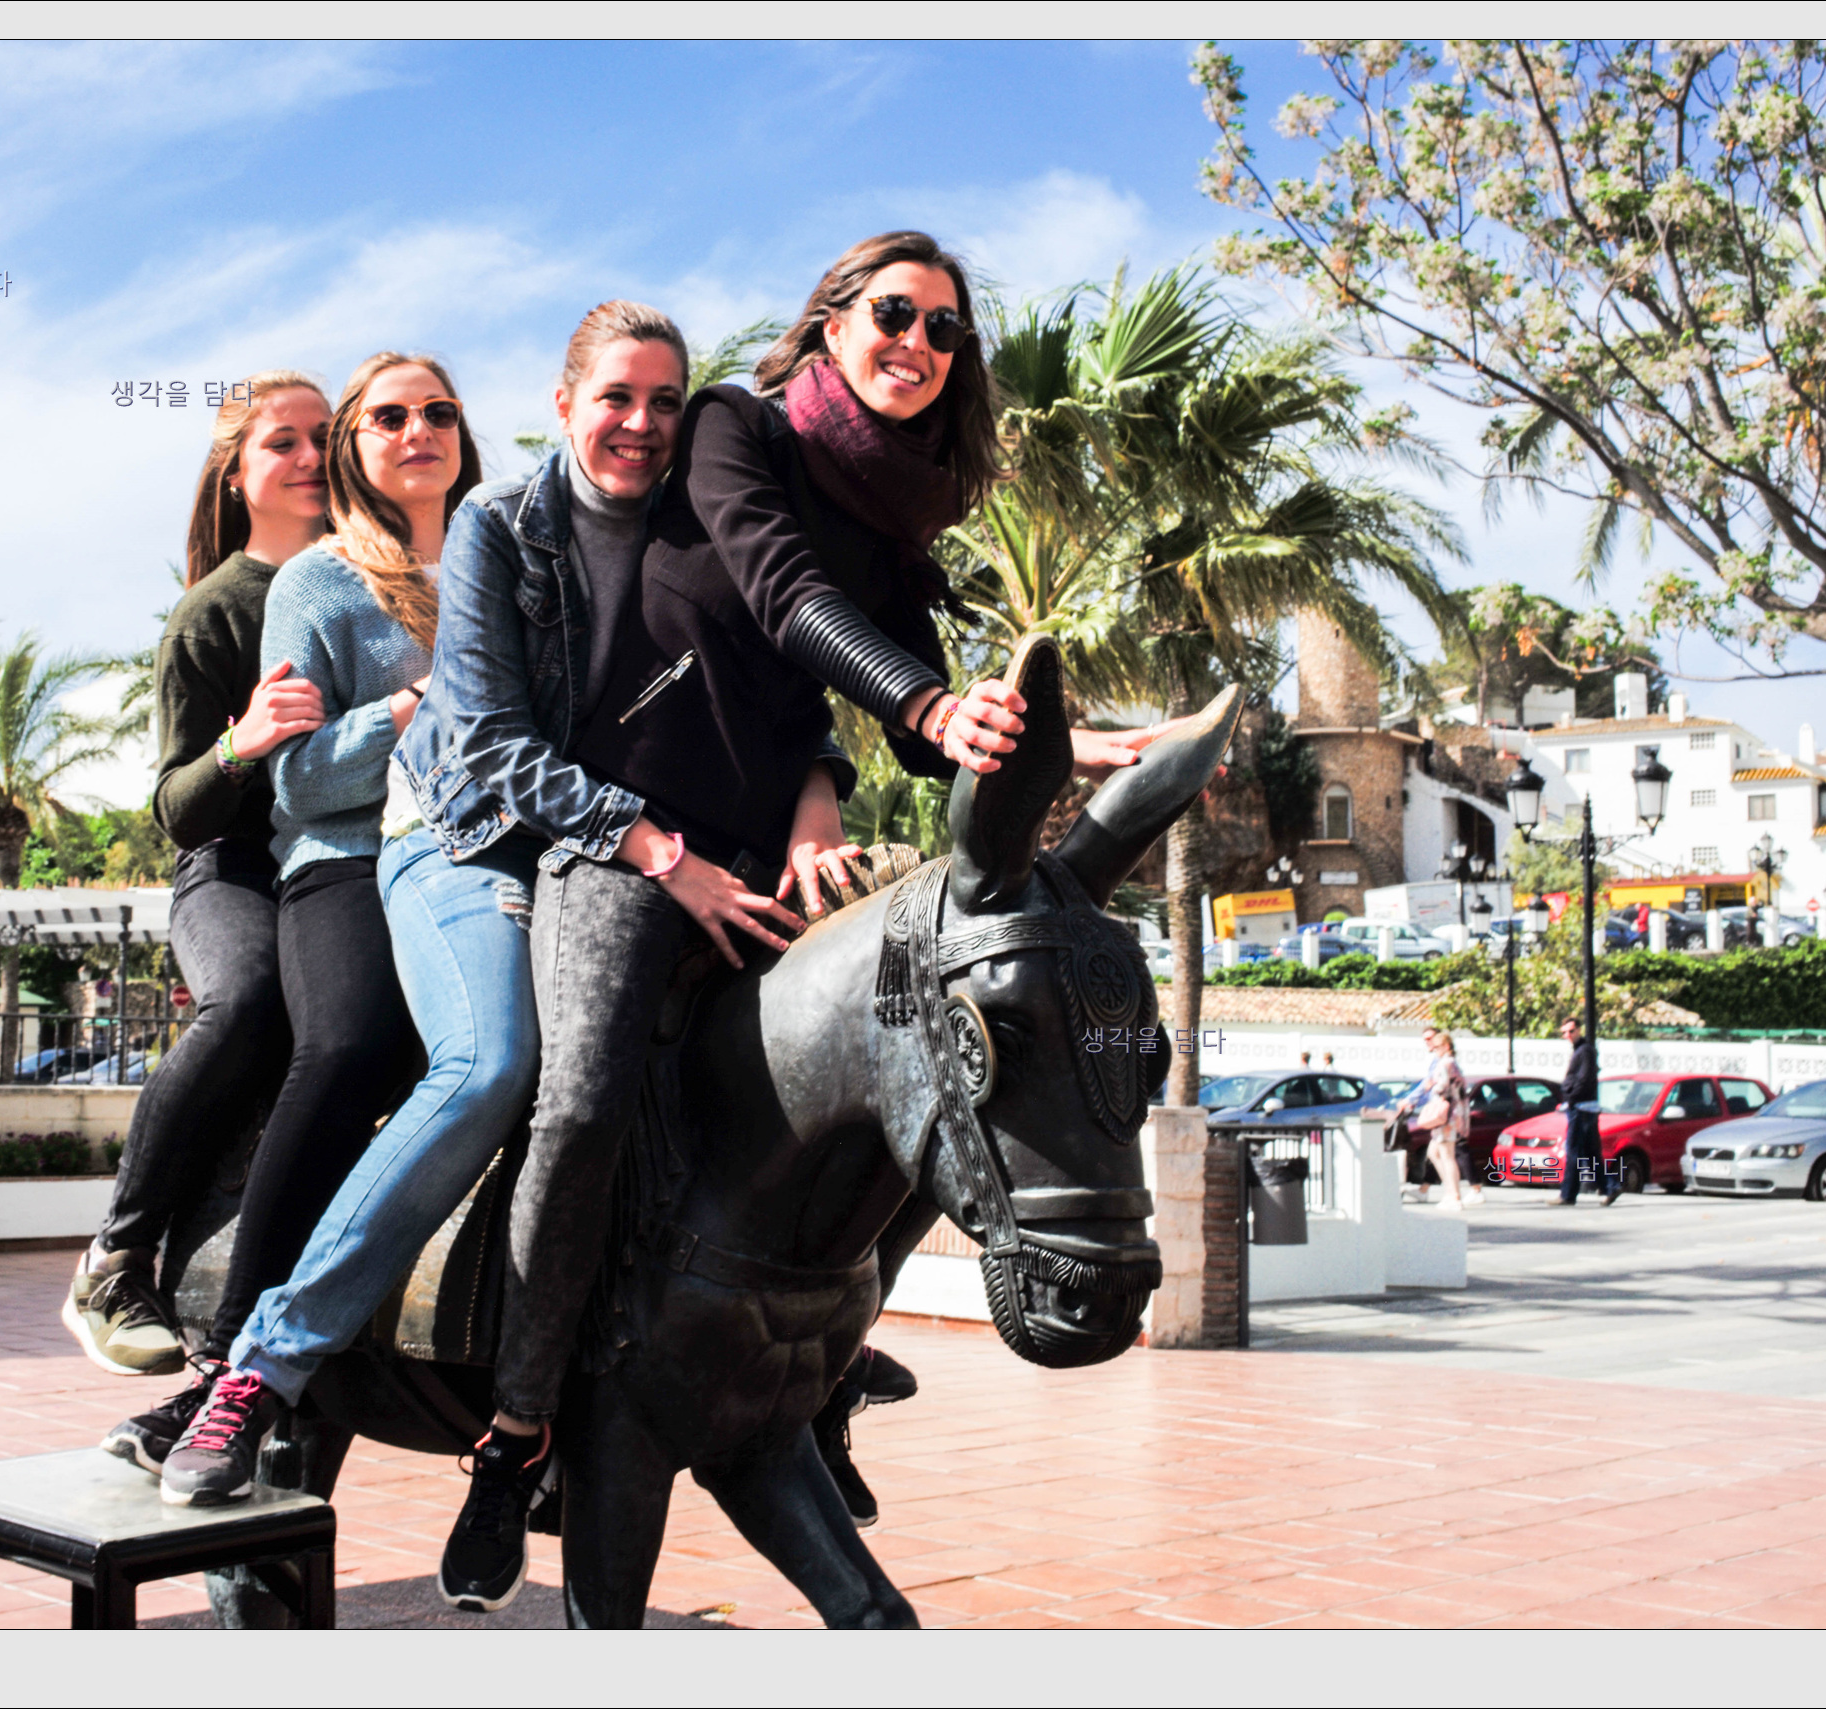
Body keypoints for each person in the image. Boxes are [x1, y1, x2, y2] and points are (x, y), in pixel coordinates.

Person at [435, 233, 1174, 1610]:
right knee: (583, 1099)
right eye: (895, 312)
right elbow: (788, 597)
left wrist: (1040, 746)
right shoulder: (735, 427)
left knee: (916, 1047)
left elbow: (896, 702)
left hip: (760, 850)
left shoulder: (896, 509)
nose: (919, 344)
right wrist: (930, 709)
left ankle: (815, 1369)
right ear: (832, 322)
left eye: (945, 329)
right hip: (626, 842)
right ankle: (521, 1422)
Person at [154, 311, 846, 1510]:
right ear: (564, 403)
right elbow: (482, 745)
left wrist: (815, 790)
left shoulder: (689, 524)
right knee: (485, 1065)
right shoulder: (495, 524)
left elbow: (773, 681)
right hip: (465, 838)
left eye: (666, 401)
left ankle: (789, 1344)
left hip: (595, 852)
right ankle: (260, 1362)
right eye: (617, 396)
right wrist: (658, 847)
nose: (641, 423)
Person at [105, 357, 469, 1489]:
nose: (310, 458)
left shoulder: (500, 560)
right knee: (292, 1018)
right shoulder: (256, 598)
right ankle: (150, 1276)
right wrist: (252, 739)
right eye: (289, 441)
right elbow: (211, 801)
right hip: (256, 855)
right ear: (236, 470)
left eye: (439, 413)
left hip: (465, 855)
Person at [1391, 1028, 1472, 1210]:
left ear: (1446, 1046)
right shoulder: (1451, 1063)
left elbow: (1441, 1087)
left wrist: (1431, 1087)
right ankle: (1450, 1192)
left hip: (1446, 1116)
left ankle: (1454, 1196)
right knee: (1435, 1153)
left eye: (1437, 1046)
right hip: (1449, 1115)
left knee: (1446, 1155)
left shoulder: (1446, 1064)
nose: (1434, 1049)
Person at [1554, 1015, 1616, 1206]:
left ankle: (1568, 1195)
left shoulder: (1585, 1051)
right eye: (1564, 1032)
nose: (1568, 1035)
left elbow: (1584, 1079)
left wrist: (1570, 1097)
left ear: (1579, 1030)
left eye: (1571, 1031)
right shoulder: (1581, 1051)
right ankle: (1610, 1187)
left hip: (1581, 1109)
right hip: (1584, 1108)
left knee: (1573, 1151)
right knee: (1590, 1153)